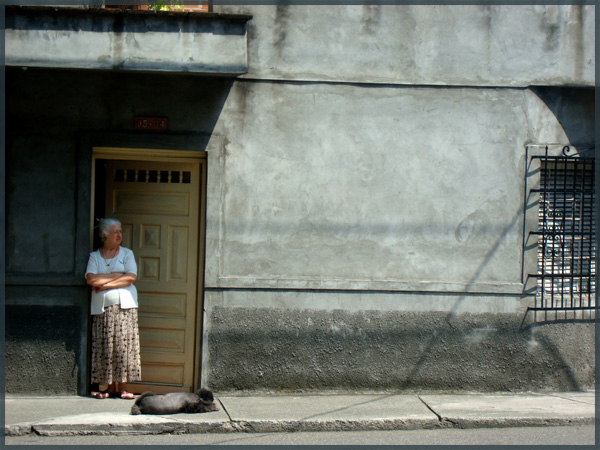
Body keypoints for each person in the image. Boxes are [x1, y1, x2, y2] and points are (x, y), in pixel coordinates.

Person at [85, 218, 141, 399]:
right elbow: (91, 280)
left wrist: (106, 284)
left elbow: (130, 277)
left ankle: (123, 387)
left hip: (125, 308)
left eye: (120, 231)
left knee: (123, 348)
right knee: (106, 346)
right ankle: (107, 387)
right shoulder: (95, 256)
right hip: (103, 310)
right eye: (115, 232)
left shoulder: (126, 254)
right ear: (104, 235)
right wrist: (117, 276)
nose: (119, 235)